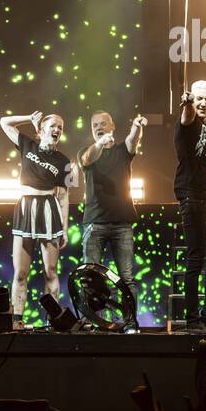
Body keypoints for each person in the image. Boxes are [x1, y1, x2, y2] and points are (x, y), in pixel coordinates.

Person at [0, 110, 77, 327]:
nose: (57, 130)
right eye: (53, 126)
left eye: (60, 127)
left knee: (50, 271)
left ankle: (53, 320)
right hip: (25, 208)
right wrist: (28, 118)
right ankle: (17, 321)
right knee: (21, 272)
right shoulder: (27, 145)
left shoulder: (63, 161)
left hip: (49, 209)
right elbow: (4, 122)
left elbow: (64, 196)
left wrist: (64, 227)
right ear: (41, 129)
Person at [79, 111, 147, 331]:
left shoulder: (121, 151)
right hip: (94, 223)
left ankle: (130, 322)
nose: (98, 127)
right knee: (90, 276)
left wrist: (137, 126)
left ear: (112, 126)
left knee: (126, 277)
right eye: (94, 125)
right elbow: (88, 159)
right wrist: (99, 142)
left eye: (102, 124)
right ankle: (91, 320)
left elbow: (132, 140)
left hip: (121, 223)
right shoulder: (88, 151)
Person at [175, 79, 206, 332]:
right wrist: (187, 105)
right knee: (196, 258)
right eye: (198, 98)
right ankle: (192, 320)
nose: (203, 103)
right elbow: (186, 118)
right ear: (192, 99)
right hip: (192, 196)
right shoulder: (189, 120)